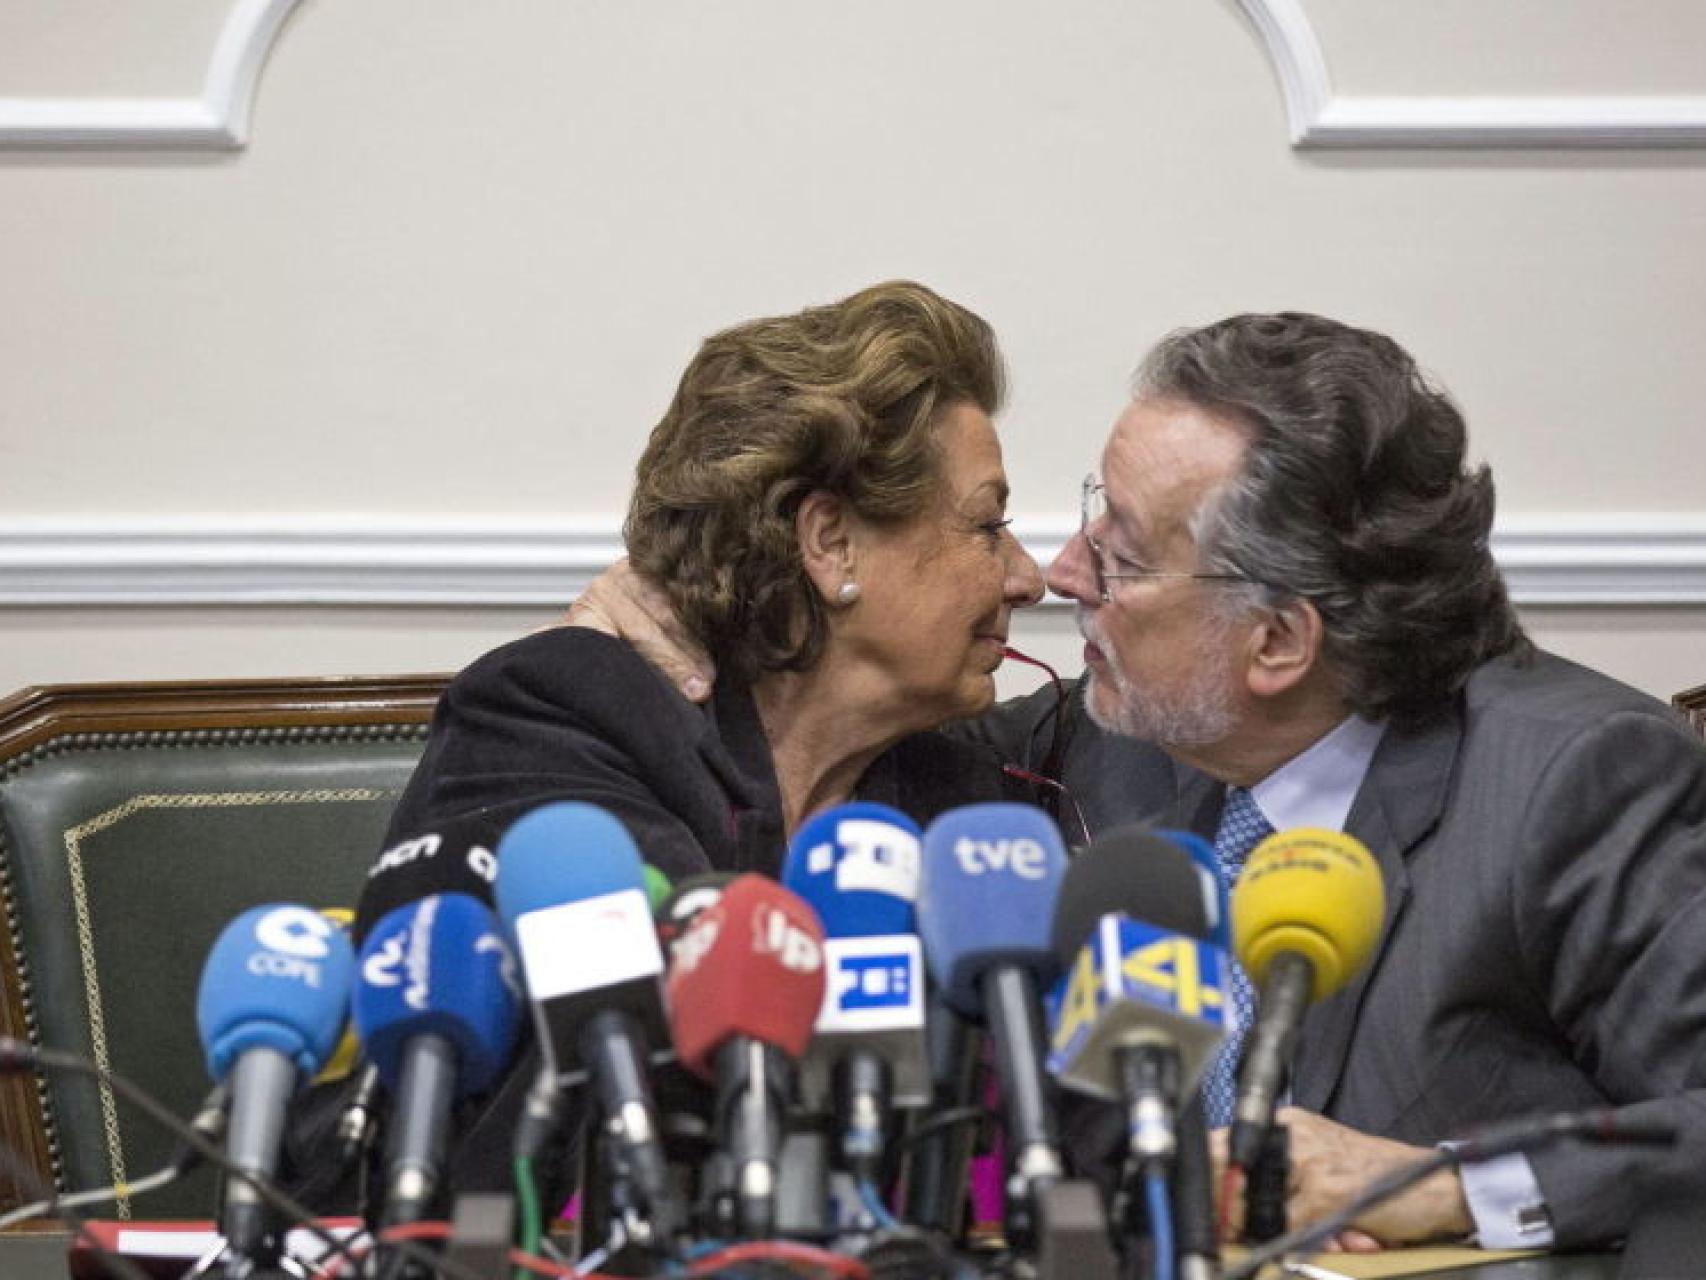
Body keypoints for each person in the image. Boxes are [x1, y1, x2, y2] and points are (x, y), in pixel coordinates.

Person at [578, 311, 1706, 1253]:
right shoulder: (1101, 739)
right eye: (1088, 509)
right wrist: (684, 612)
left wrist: (1444, 1183)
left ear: (1276, 641)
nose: (1057, 572)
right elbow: (827, 728)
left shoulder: (1577, 782)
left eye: (1117, 554)